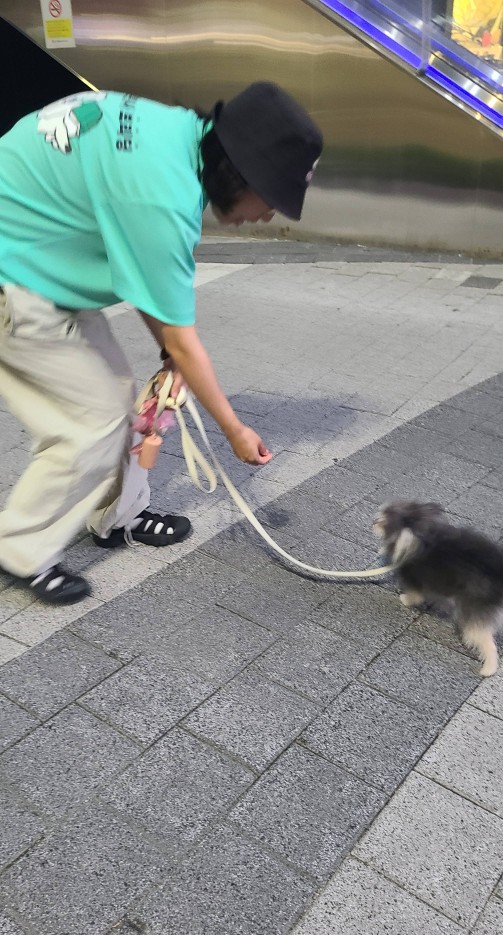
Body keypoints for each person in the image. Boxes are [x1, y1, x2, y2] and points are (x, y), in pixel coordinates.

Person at [0, 82, 323, 605]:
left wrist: (172, 354)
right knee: (90, 423)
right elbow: (181, 335)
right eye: (272, 197)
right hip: (14, 276)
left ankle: (118, 515)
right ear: (239, 171)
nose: (269, 215)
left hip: (42, 266)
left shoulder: (175, 134)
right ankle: (20, 549)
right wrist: (235, 431)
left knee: (118, 404)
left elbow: (155, 295)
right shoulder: (161, 194)